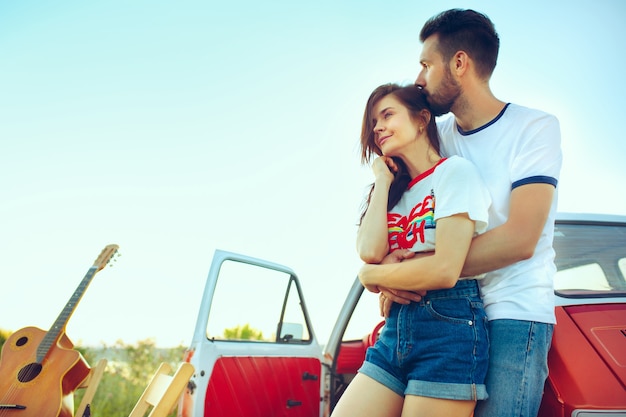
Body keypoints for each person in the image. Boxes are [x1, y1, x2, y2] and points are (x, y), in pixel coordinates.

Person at [380, 9, 563, 417]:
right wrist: (394, 268)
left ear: (459, 63)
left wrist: (418, 271)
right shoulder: (437, 138)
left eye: (427, 64)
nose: (419, 79)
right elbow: (408, 220)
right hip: (447, 313)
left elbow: (520, 238)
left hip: (513, 313)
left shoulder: (534, 128)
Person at [331, 83, 492, 417]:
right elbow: (370, 251)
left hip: (449, 327)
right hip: (395, 330)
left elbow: (445, 270)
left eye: (387, 114)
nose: (377, 127)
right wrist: (382, 179)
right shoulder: (393, 192)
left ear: (421, 120)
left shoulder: (454, 173)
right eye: (373, 122)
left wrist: (372, 277)